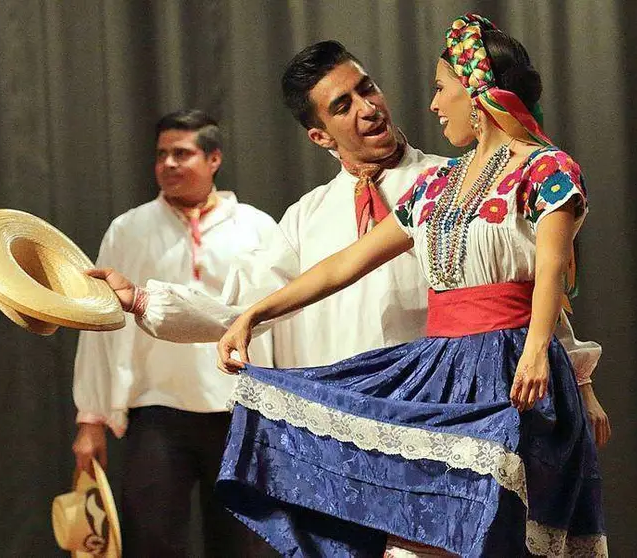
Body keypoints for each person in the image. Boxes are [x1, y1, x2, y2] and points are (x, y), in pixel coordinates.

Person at [208, 14, 608, 556]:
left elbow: (551, 275)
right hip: (441, 373)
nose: (433, 104)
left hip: (509, 370)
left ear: (478, 93)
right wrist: (252, 315)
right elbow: (343, 265)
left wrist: (549, 358)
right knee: (418, 535)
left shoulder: (545, 169)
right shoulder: (435, 186)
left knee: (495, 532)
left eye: (442, 89)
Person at [87, 40, 609, 443]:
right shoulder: (306, 219)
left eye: (367, 88)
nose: (367, 108)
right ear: (320, 135)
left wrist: (579, 384)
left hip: (453, 408)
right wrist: (141, 300)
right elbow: (241, 309)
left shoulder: (455, 181)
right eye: (343, 105)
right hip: (351, 428)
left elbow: (522, 286)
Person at [71, 109, 276, 557]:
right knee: (152, 541)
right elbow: (99, 323)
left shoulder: (256, 227)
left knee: (244, 546)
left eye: (181, 153)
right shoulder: (129, 229)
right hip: (157, 410)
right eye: (161, 154)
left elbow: (279, 319)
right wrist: (91, 419)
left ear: (214, 159)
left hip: (237, 410)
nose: (168, 163)